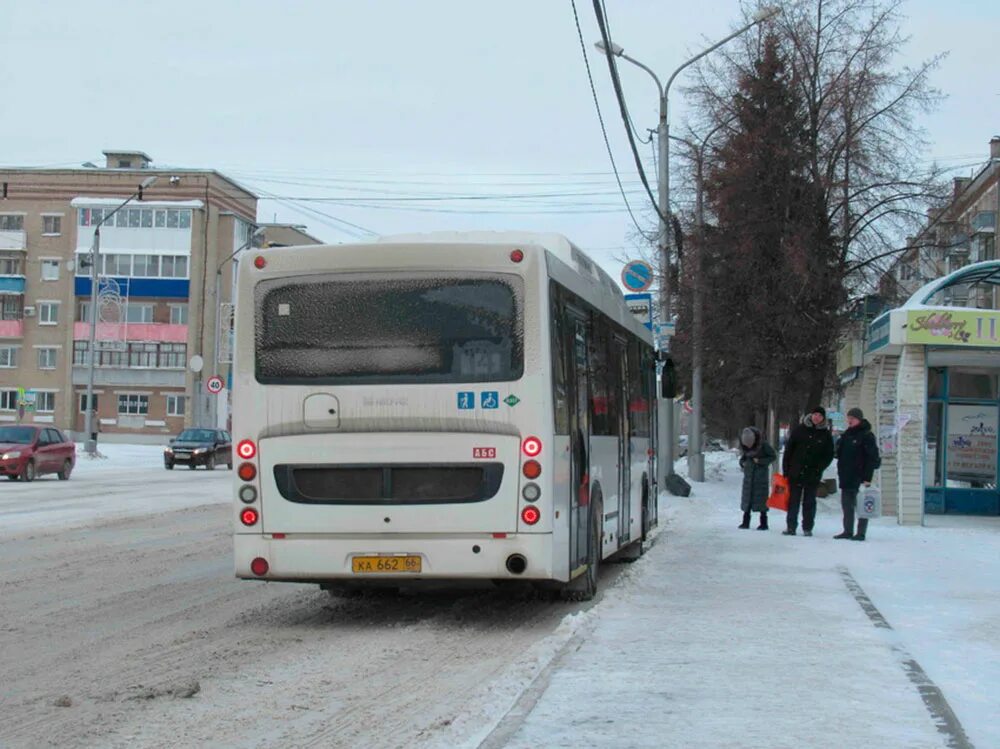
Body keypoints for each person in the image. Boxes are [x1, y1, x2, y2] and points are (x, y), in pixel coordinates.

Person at [781, 406, 835, 537]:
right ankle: (791, 527)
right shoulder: (799, 430)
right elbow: (789, 451)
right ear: (811, 416)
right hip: (796, 472)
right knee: (793, 501)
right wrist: (786, 470)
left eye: (820, 416)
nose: (817, 417)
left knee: (809, 502)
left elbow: (829, 455)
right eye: (815, 414)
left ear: (823, 419)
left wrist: (819, 467)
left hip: (813, 474)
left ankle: (808, 527)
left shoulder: (825, 435)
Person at [834, 407, 881, 541]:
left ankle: (861, 532)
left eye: (852, 418)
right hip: (846, 476)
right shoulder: (847, 434)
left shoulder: (867, 435)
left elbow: (872, 458)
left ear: (859, 419)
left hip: (860, 477)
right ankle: (847, 530)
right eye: (848, 418)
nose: (849, 421)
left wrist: (867, 478)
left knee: (861, 505)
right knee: (847, 506)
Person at [738, 427, 777, 530]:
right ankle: (745, 522)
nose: (748, 447)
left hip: (760, 477)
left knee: (761, 500)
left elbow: (773, 456)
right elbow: (743, 458)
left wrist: (760, 461)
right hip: (748, 477)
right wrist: (742, 463)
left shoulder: (763, 445)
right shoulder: (745, 447)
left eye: (750, 445)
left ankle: (764, 523)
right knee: (747, 499)